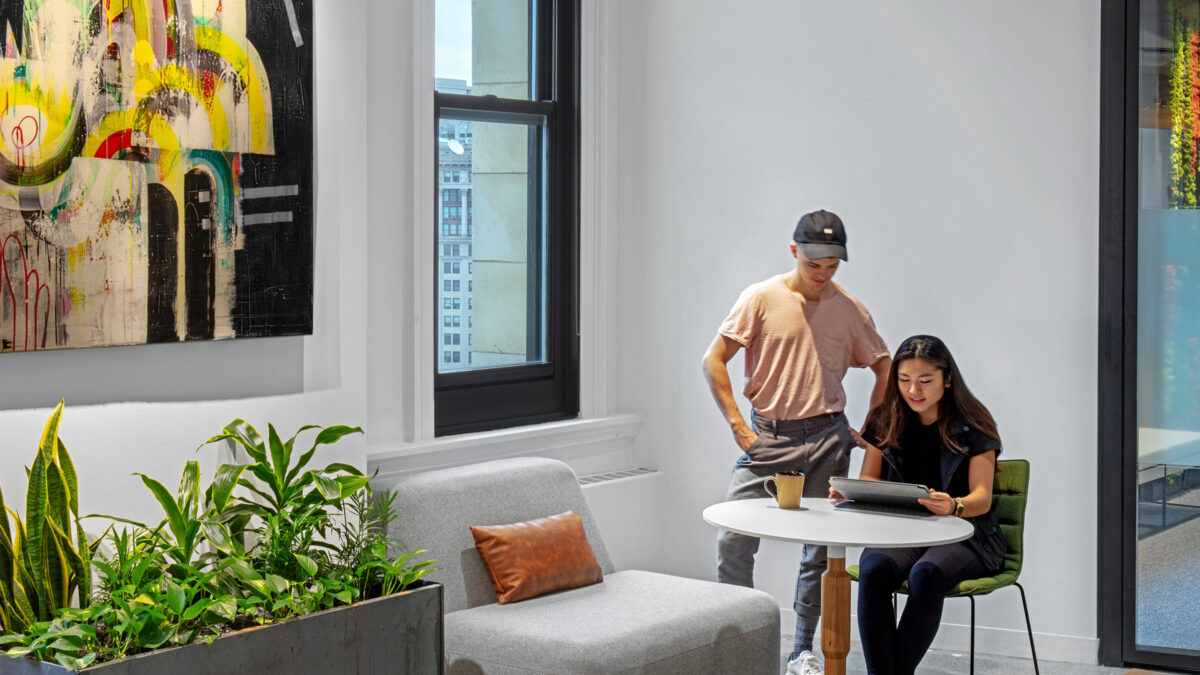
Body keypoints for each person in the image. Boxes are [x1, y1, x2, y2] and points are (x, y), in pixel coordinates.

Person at [702, 209, 891, 675]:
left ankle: (801, 651)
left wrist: (871, 425)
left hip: (828, 437)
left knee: (820, 550)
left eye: (832, 266)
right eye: (814, 265)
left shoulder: (849, 309)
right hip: (768, 437)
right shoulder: (760, 298)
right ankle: (742, 645)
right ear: (794, 252)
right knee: (734, 541)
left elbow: (883, 364)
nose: (822, 275)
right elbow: (714, 360)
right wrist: (738, 429)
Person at [833, 335, 1008, 675]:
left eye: (925, 380)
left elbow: (981, 498)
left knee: (926, 574)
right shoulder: (886, 418)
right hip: (904, 529)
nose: (914, 390)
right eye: (904, 380)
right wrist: (852, 491)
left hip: (966, 533)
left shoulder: (974, 424)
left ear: (947, 378)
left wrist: (954, 505)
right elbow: (869, 478)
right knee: (874, 569)